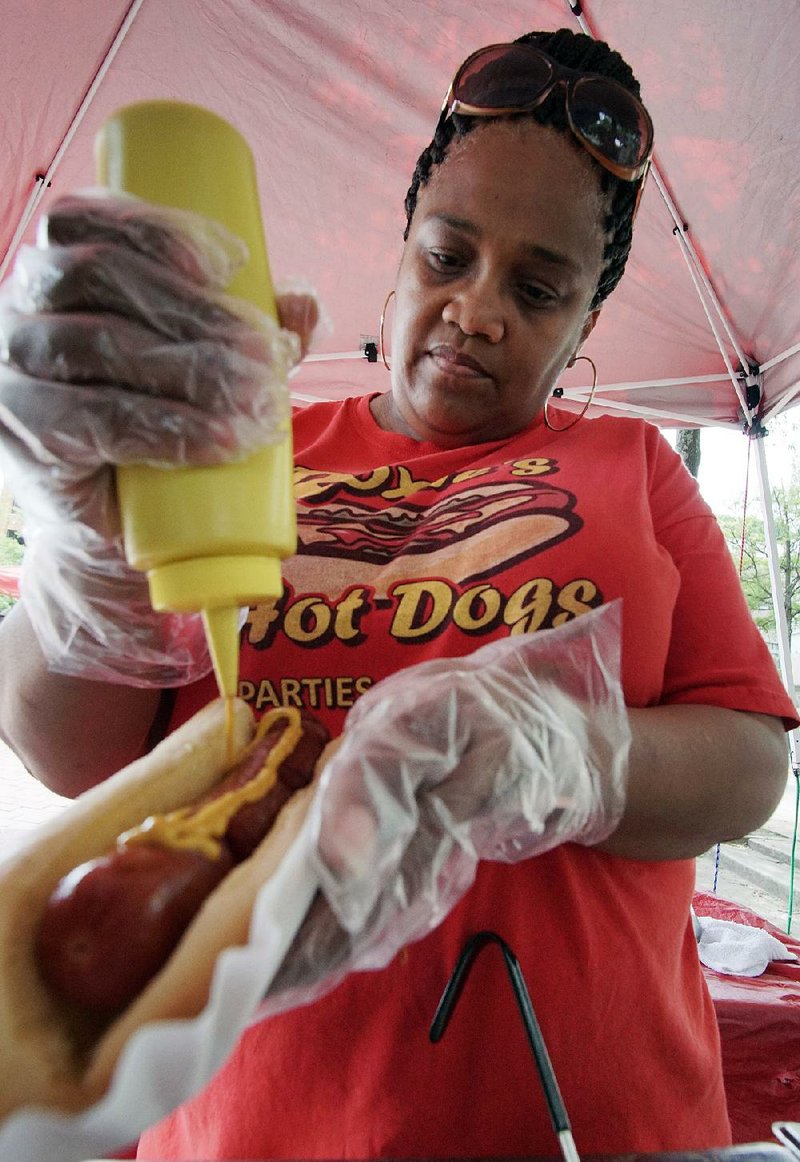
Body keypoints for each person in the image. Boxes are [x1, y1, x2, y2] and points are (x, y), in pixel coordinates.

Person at [0, 26, 796, 1160]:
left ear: (583, 323)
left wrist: (565, 752)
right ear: (401, 248)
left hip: (592, 1123)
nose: (476, 311)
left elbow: (747, 768)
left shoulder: (639, 473)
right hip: (246, 1127)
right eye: (446, 256)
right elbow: (72, 758)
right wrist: (86, 560)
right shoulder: (238, 437)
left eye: (536, 287)